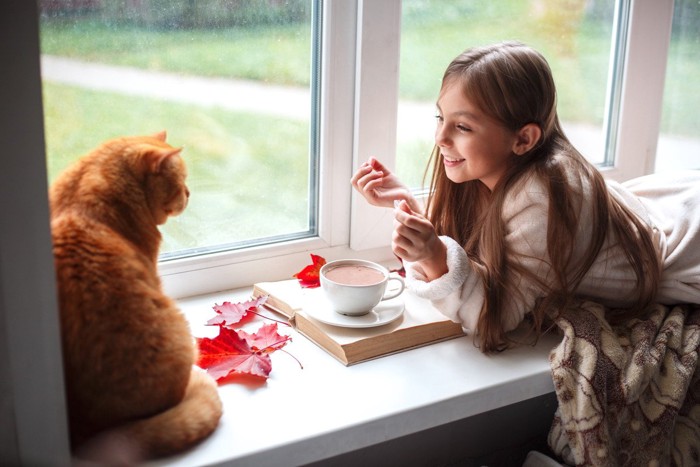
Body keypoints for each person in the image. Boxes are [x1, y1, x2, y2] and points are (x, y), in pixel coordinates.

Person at [351, 41, 700, 352]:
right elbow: (491, 243)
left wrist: (435, 258)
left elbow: (495, 319)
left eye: (462, 126)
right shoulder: (494, 171)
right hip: (663, 205)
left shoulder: (543, 197)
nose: (440, 137)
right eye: (440, 117)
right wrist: (410, 207)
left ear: (523, 139)